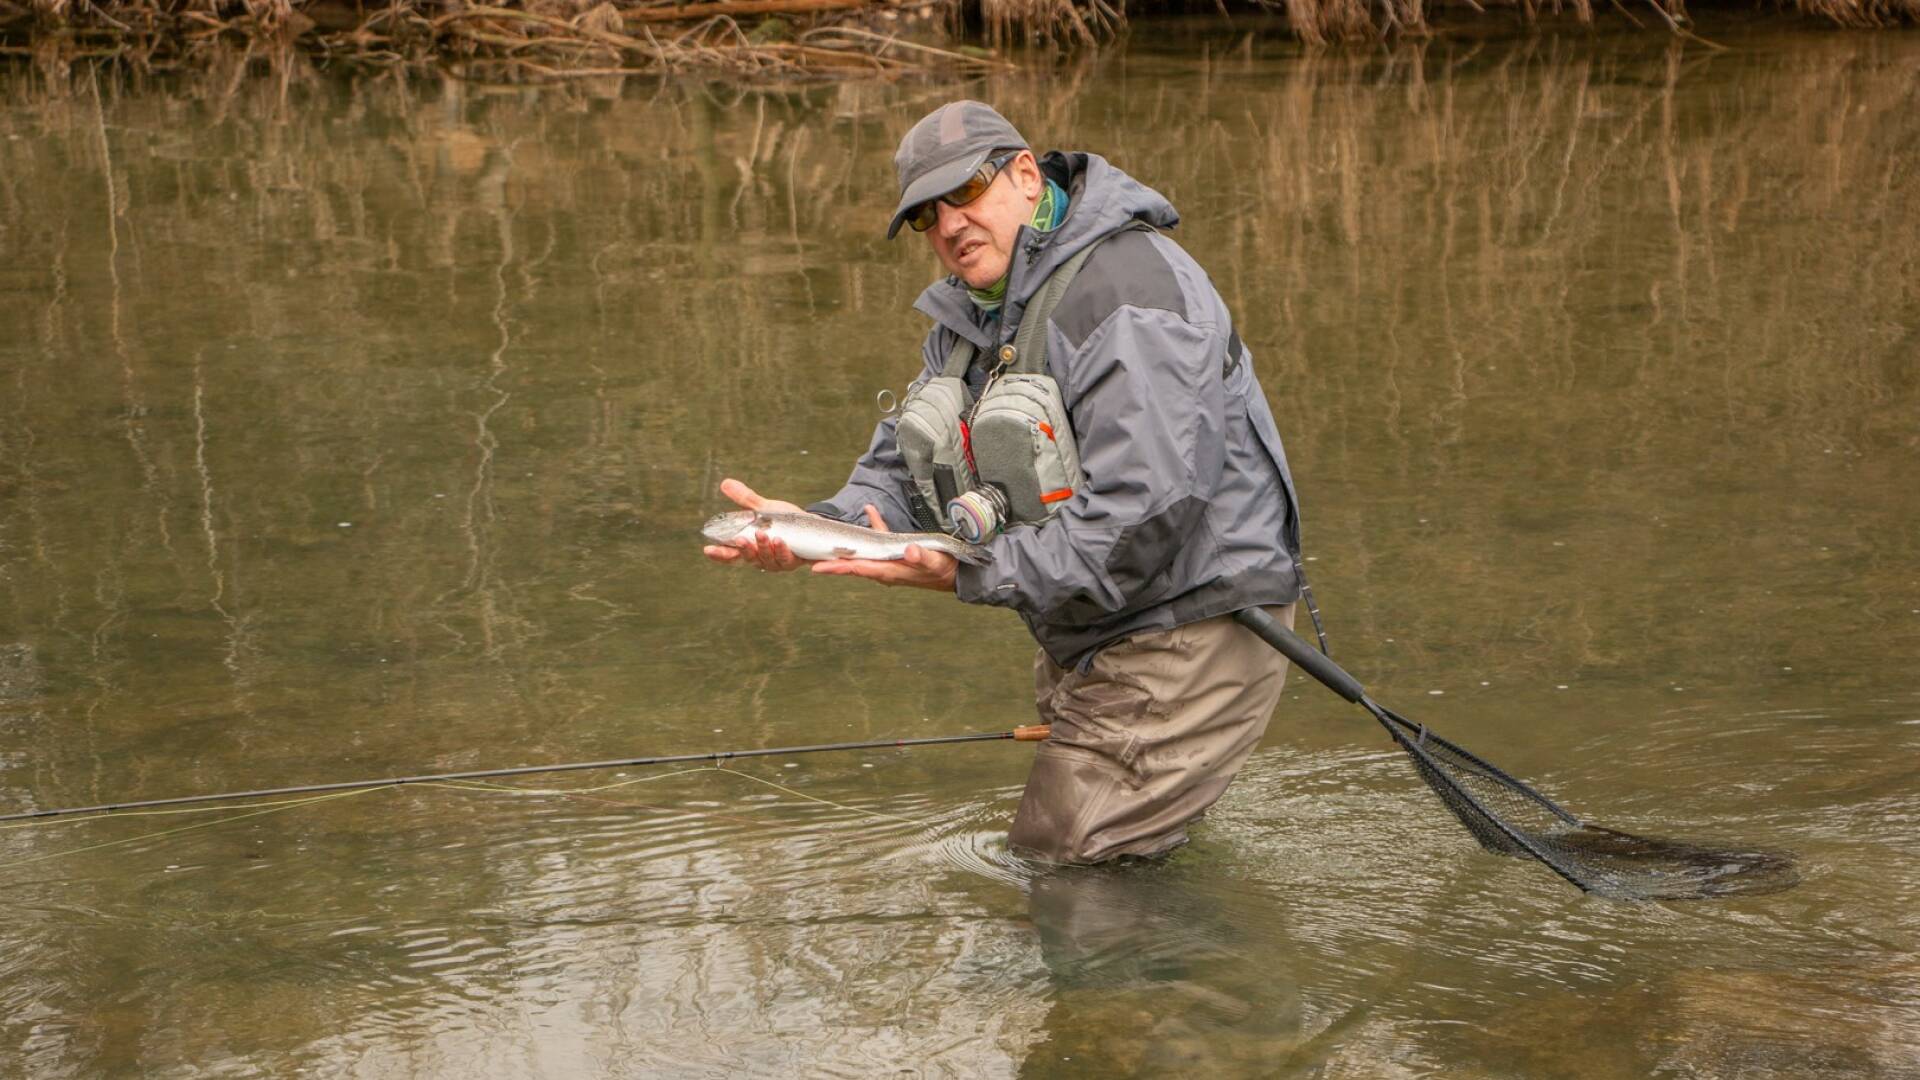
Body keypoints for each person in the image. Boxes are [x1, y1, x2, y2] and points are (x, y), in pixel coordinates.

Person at [702, 100, 1309, 865]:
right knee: (1111, 870)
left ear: (1026, 174)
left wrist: (967, 571)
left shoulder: (1127, 290)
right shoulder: (976, 315)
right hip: (1091, 621)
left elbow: (1146, 516)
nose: (947, 224)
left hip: (1194, 621)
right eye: (925, 215)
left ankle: (1165, 985)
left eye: (964, 192)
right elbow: (900, 468)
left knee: (1063, 868)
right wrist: (813, 524)